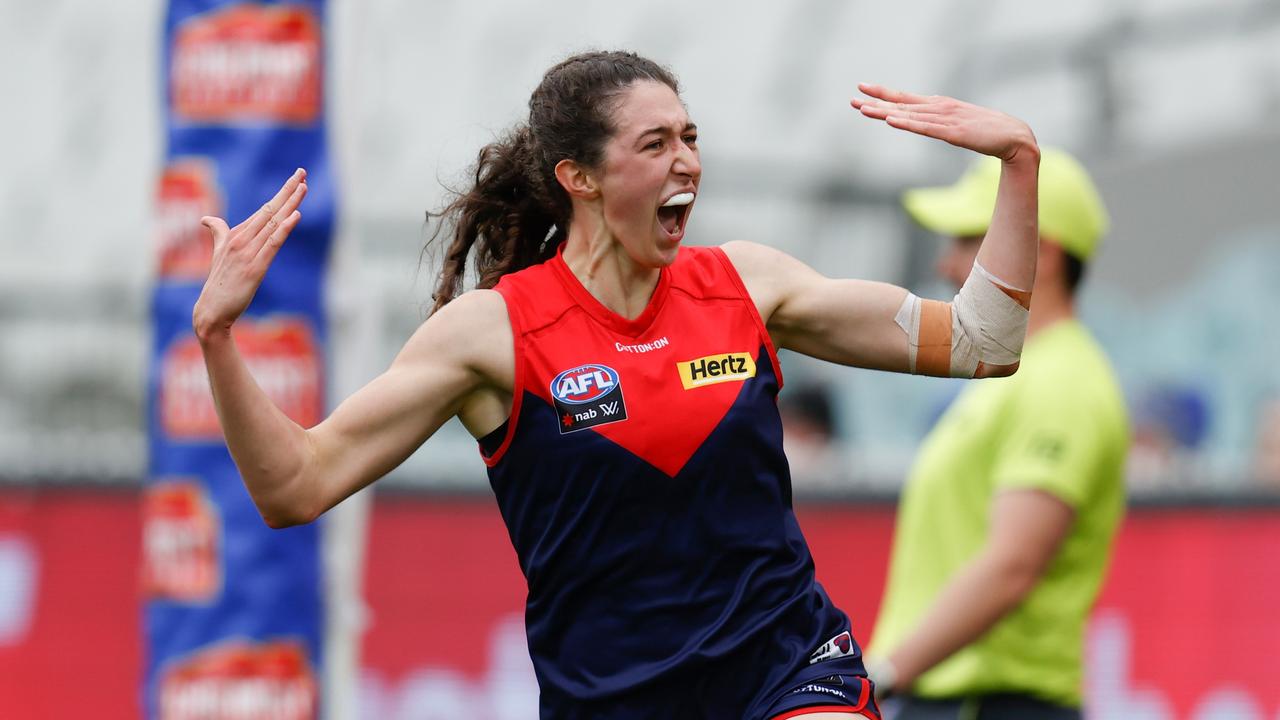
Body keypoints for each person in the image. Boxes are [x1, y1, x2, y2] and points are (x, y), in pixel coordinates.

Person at [193, 50, 1041, 720]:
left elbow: (982, 342)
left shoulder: (747, 284)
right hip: (615, 698)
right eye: (656, 144)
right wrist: (220, 337)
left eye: (691, 137)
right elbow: (293, 486)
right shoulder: (492, 334)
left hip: (786, 668)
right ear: (580, 177)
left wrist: (1018, 161)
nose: (689, 163)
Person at [864, 149, 1130, 720]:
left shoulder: (1064, 383)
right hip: (961, 697)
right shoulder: (1021, 374)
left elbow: (1012, 566)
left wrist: (880, 676)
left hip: (986, 703)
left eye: (967, 239)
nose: (948, 264)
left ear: (1044, 253)